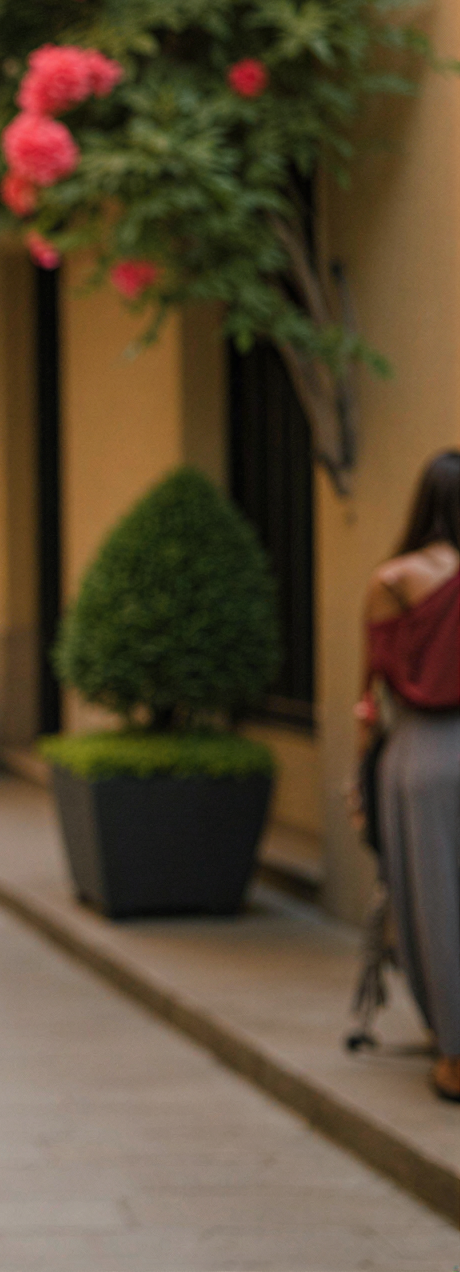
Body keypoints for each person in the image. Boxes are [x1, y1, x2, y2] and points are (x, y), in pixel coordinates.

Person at [361, 449, 460, 1099]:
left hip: (420, 757)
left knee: (433, 905)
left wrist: (357, 777)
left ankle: (454, 1057)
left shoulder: (392, 580)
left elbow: (368, 696)